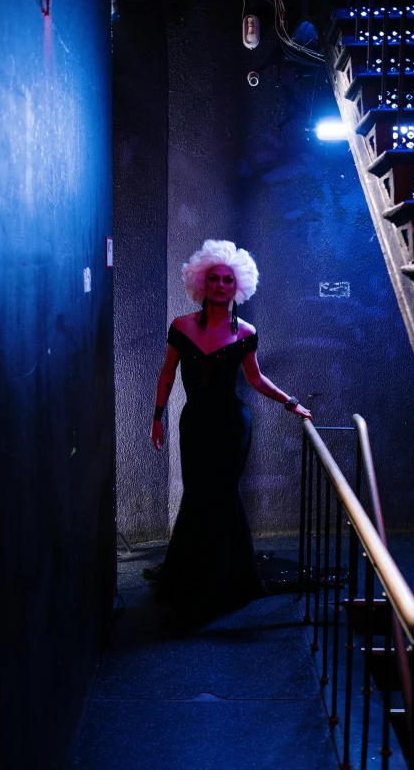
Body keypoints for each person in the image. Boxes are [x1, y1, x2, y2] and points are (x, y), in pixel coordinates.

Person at [147, 239, 312, 619]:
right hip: (195, 423)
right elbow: (167, 374)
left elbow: (256, 379)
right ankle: (191, 574)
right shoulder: (181, 326)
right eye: (214, 279)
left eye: (226, 280)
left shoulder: (246, 332)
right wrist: (157, 417)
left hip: (231, 425)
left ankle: (229, 578)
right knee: (197, 493)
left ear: (237, 286)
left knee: (222, 493)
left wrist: (291, 403)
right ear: (201, 283)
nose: (220, 285)